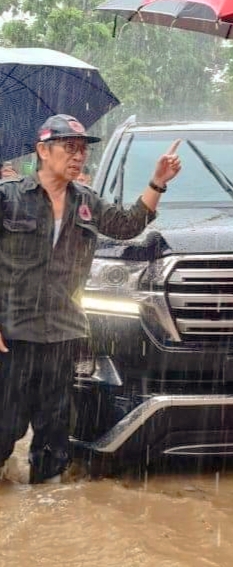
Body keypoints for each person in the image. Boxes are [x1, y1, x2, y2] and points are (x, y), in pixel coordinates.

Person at [0, 114, 181, 484]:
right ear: (42, 151)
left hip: (63, 333)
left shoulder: (86, 202)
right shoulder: (9, 198)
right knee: (5, 425)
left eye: (82, 149)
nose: (78, 156)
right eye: (70, 147)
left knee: (54, 433)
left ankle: (47, 510)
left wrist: (157, 183)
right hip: (11, 335)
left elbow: (128, 225)